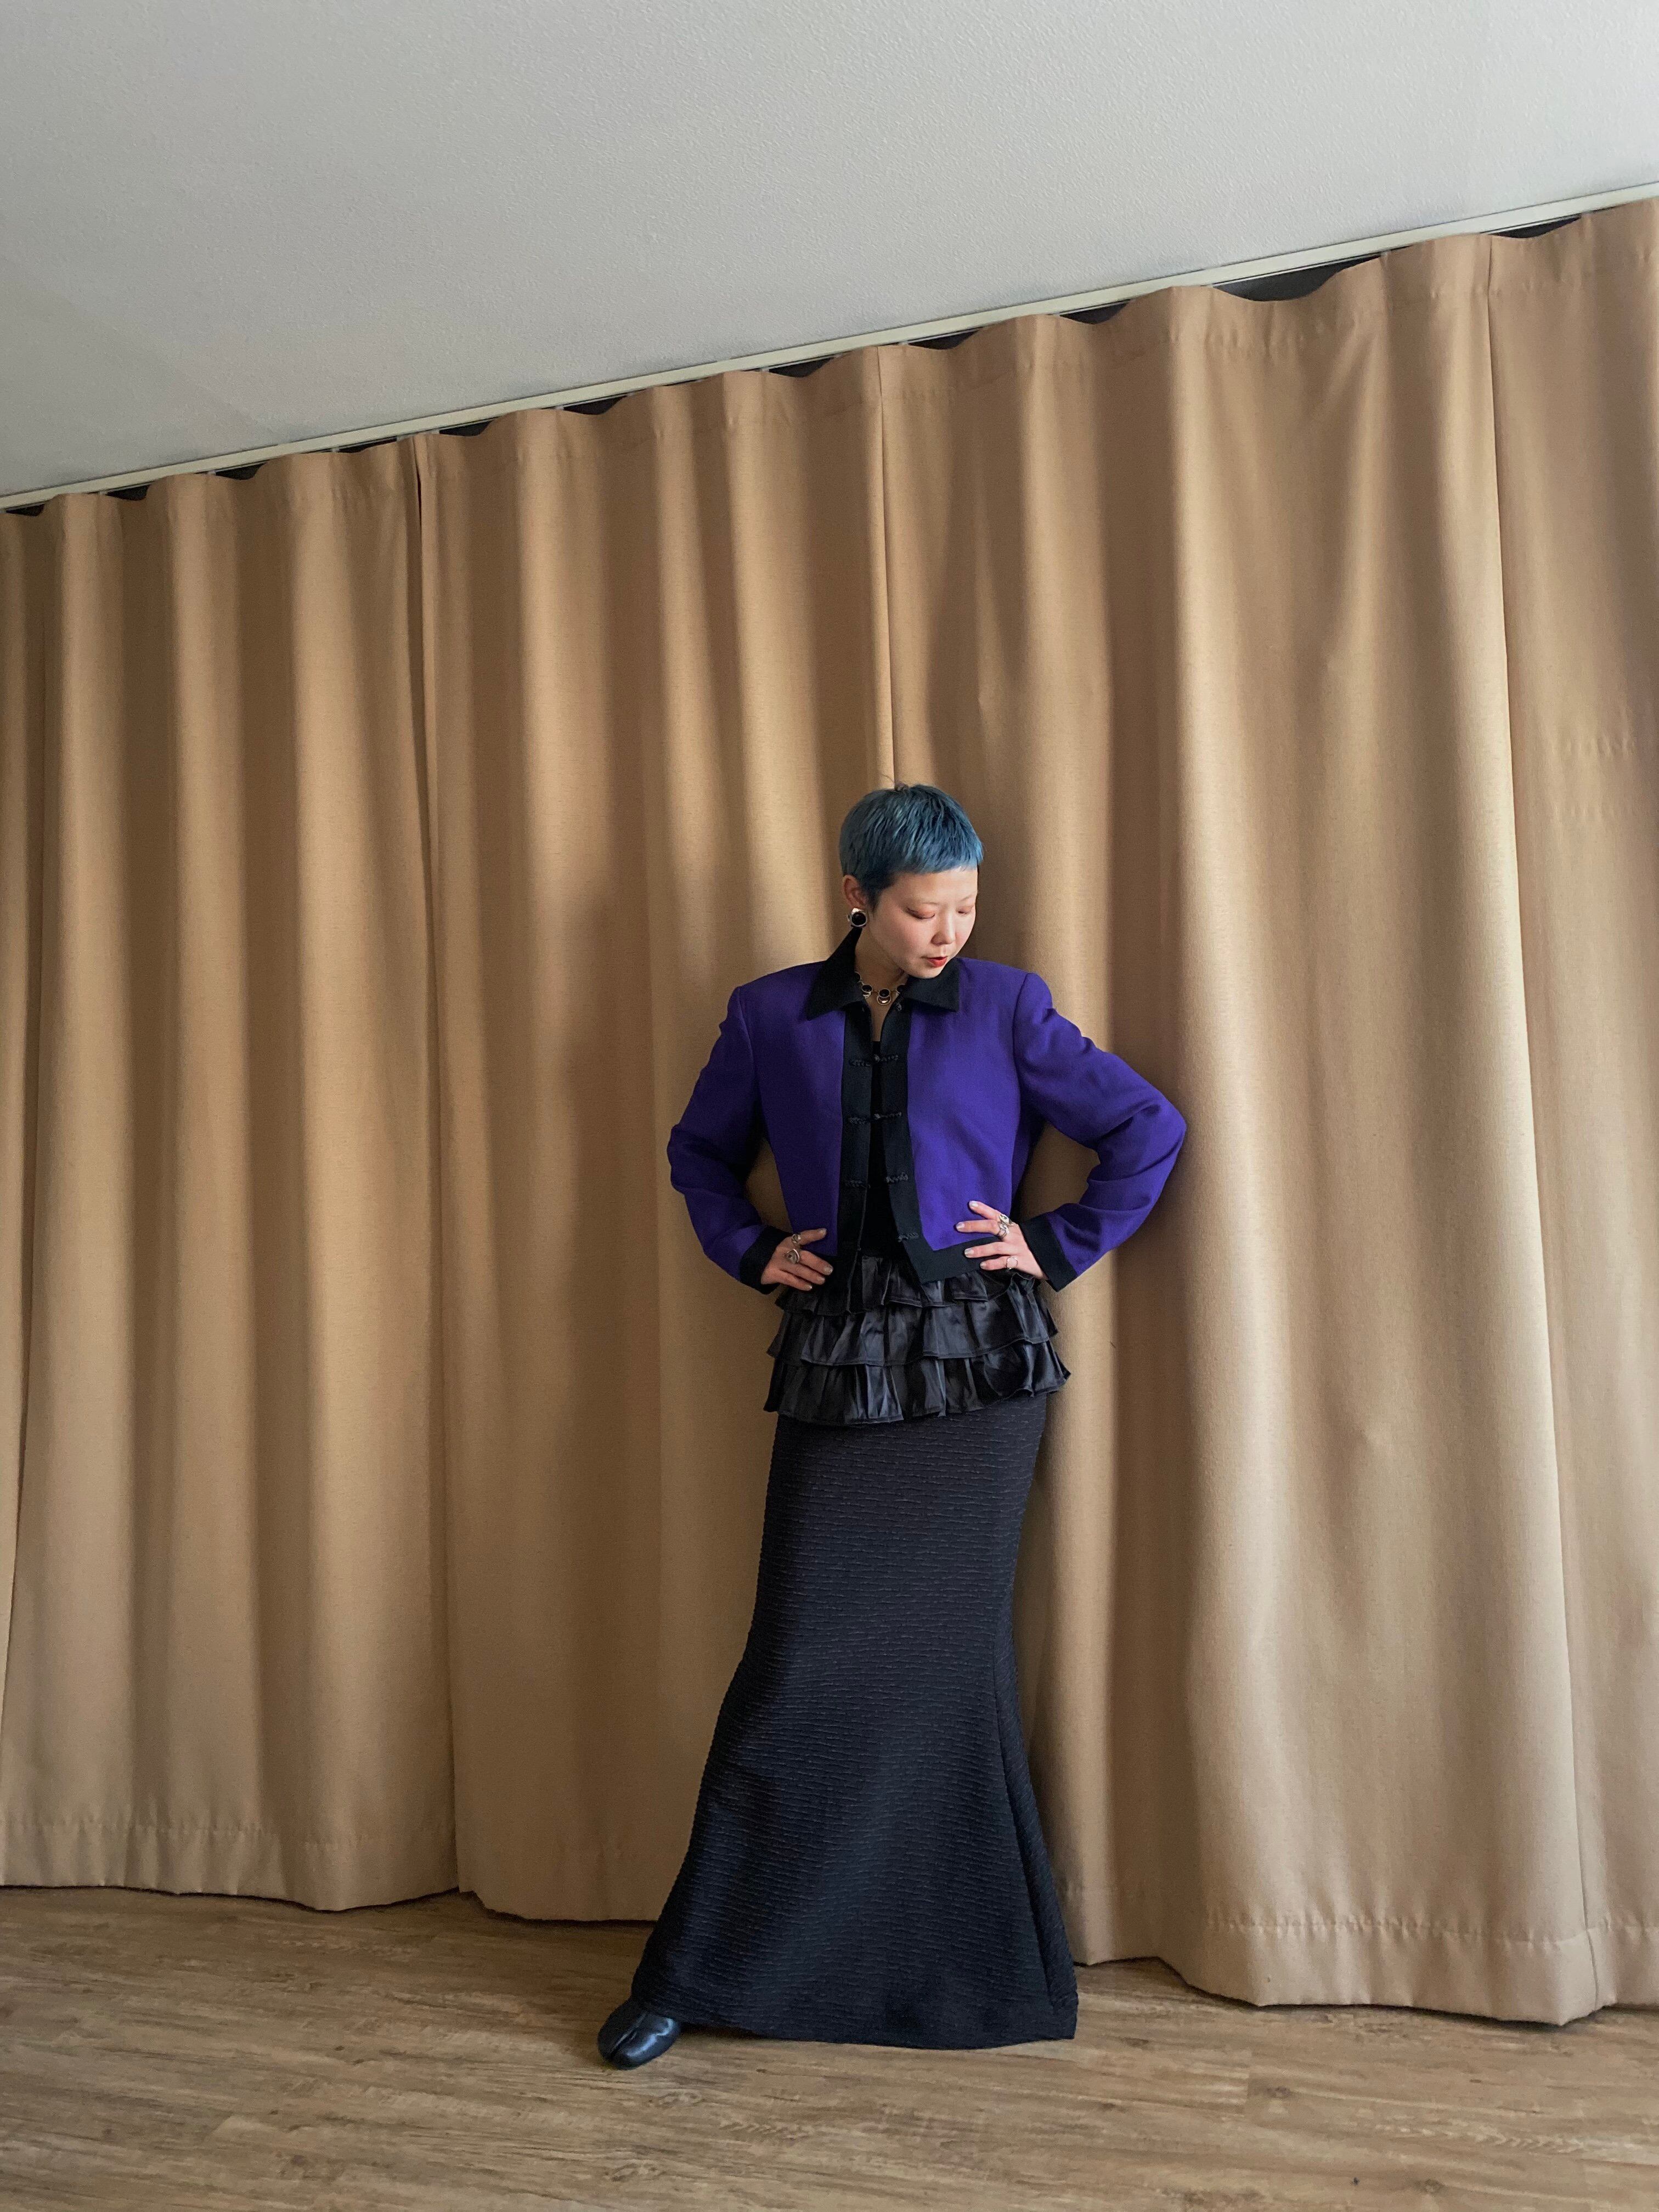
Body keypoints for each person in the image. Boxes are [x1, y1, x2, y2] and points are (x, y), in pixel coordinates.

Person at [598, 783, 1186, 2067]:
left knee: (953, 1669)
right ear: (858, 898)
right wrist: (752, 1250)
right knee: (794, 1663)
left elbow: (1148, 1127)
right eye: (926, 911)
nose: (949, 933)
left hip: (981, 1366)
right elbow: (700, 1155)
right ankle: (701, 1971)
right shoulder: (769, 1015)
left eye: (966, 908)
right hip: (836, 1355)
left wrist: (1055, 1246)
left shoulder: (1008, 1005)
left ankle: (966, 1970)